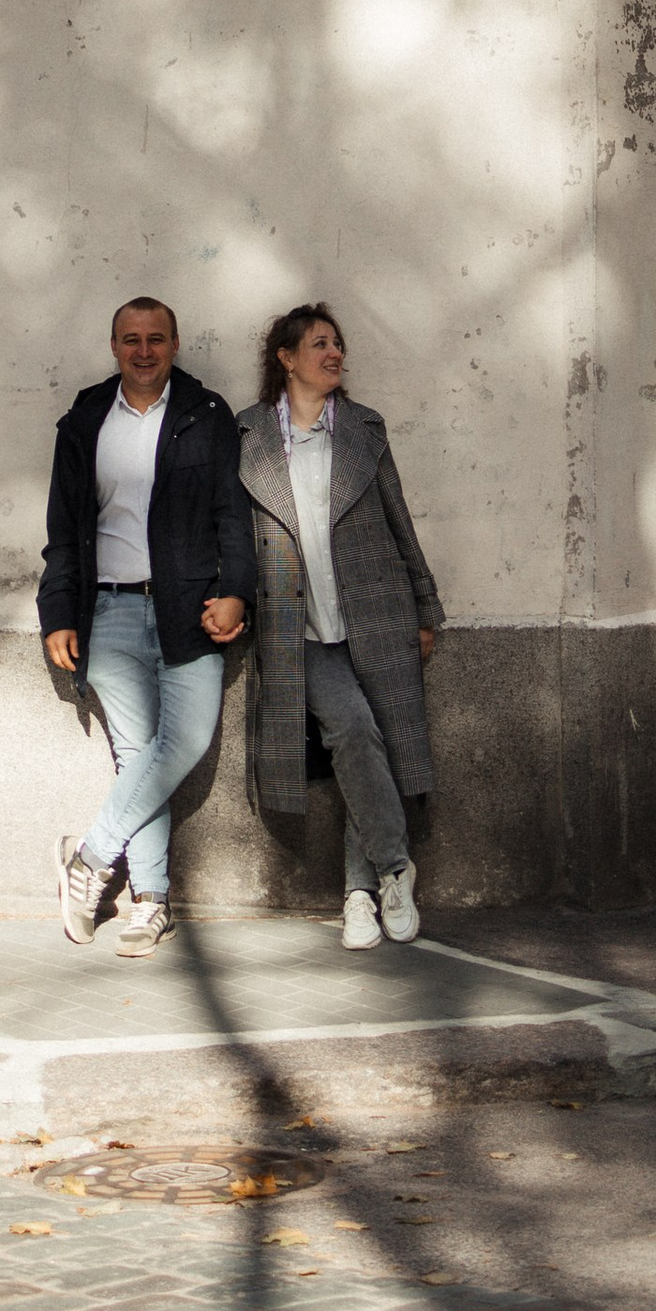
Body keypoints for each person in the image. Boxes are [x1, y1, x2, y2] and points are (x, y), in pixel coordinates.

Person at [37, 294, 254, 954]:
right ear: (114, 347)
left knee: (179, 743)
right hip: (109, 610)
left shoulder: (205, 415)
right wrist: (57, 611)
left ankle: (91, 859)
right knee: (137, 756)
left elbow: (231, 519)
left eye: (156, 338)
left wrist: (237, 593)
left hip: (188, 610)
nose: (144, 350)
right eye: (131, 338)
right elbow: (64, 532)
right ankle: (150, 901)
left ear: (175, 344)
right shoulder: (83, 421)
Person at [238, 301, 443, 948]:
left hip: (376, 614)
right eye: (320, 344)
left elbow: (397, 520)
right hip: (300, 629)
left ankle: (359, 896)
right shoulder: (247, 437)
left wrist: (425, 604)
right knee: (353, 730)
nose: (334, 355)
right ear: (287, 358)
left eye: (338, 345)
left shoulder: (362, 428)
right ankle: (395, 865)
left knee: (372, 743)